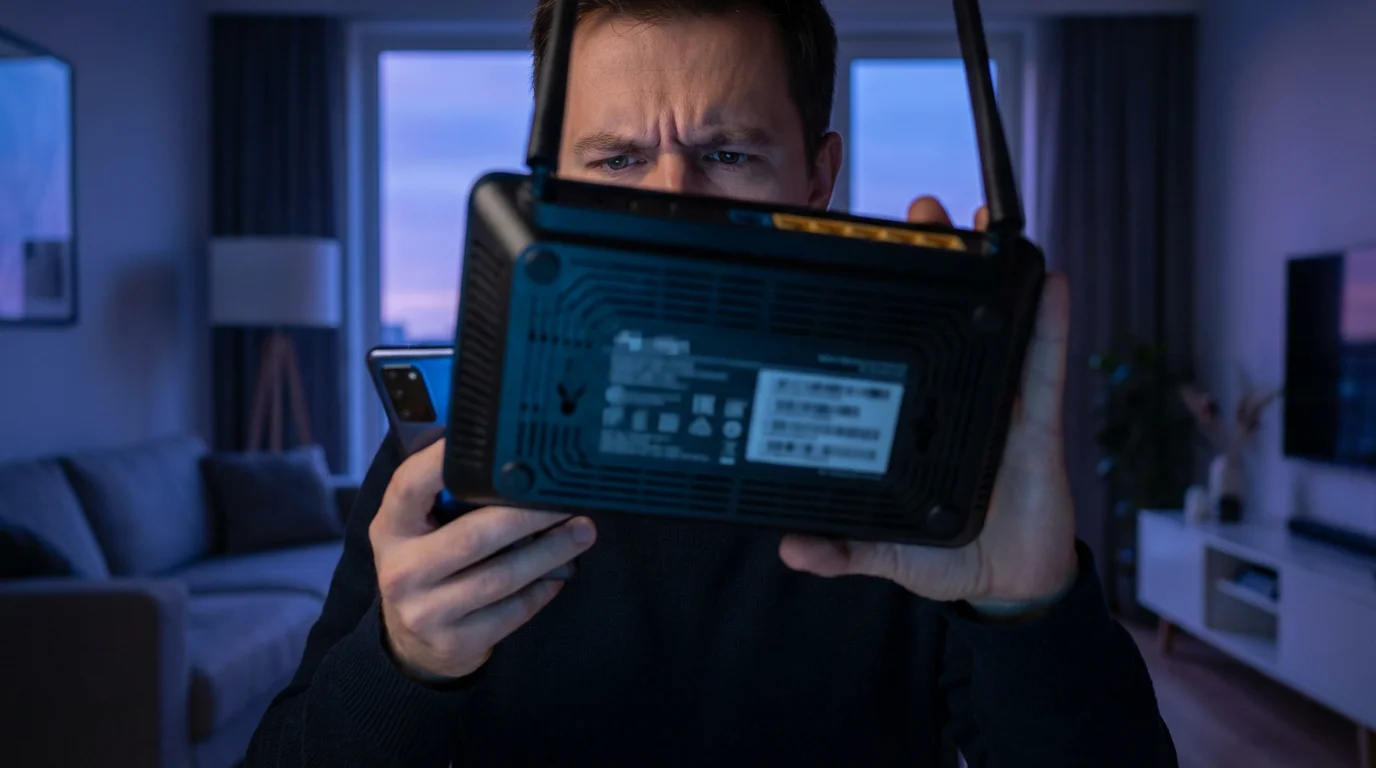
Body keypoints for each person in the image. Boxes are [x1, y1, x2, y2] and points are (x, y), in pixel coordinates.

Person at [248, 1, 1178, 765]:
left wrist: (1031, 610)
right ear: (551, 188)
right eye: (617, 159)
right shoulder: (460, 453)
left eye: (728, 154)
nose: (672, 204)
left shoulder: (915, 454)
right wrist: (401, 665)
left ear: (818, 178)